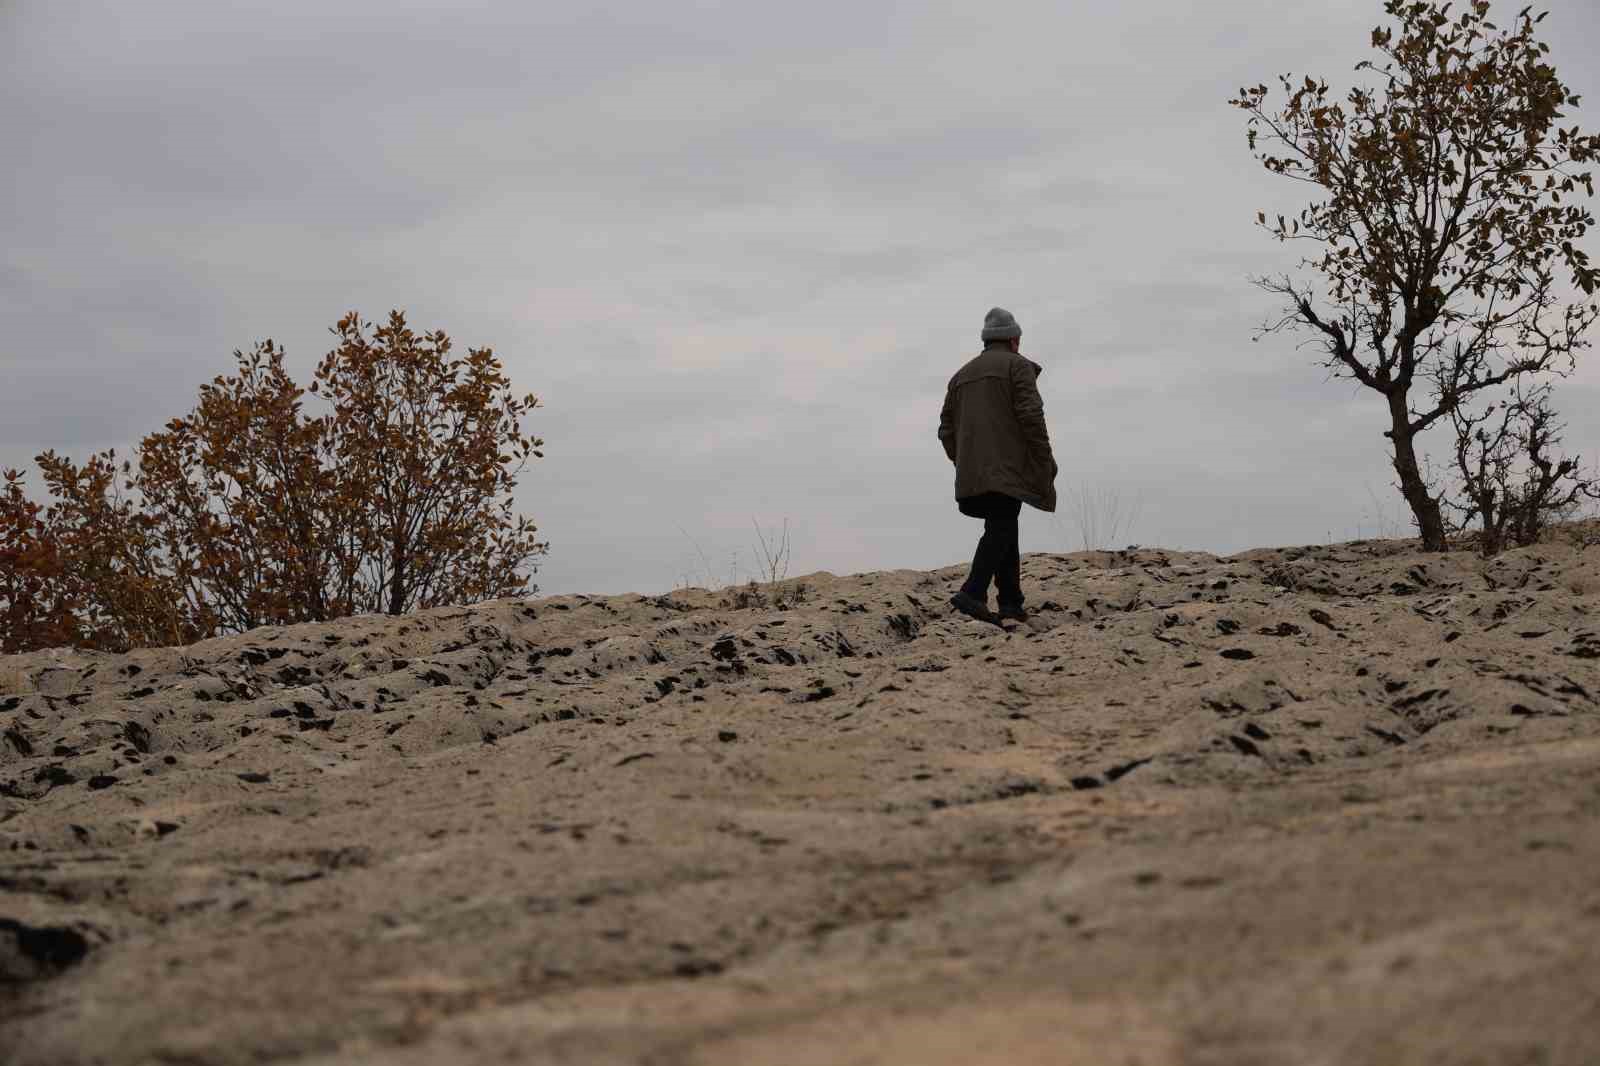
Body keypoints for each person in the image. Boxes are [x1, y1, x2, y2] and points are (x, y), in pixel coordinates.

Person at [938, 307, 1058, 624]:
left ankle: (1010, 601)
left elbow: (945, 431)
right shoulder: (1017, 367)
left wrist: (964, 460)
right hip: (1006, 467)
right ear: (1014, 339)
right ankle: (973, 591)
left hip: (973, 470)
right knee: (1003, 523)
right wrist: (1044, 460)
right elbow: (1032, 419)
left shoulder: (960, 376)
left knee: (1004, 523)